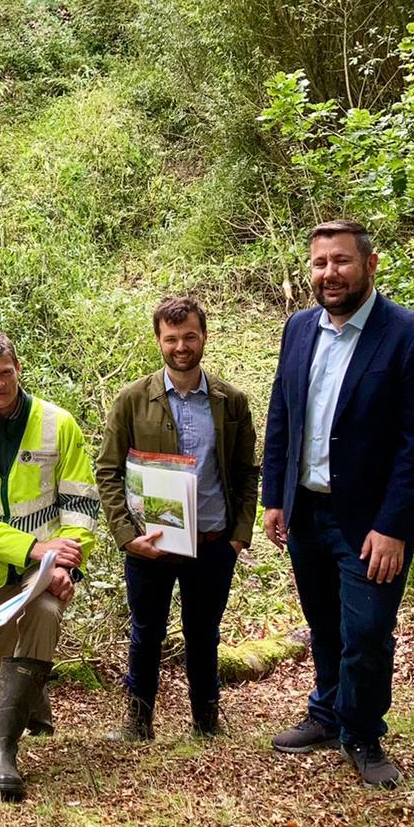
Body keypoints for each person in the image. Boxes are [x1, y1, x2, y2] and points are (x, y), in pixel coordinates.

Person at [262, 221, 414, 790]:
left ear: (370, 265)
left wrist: (392, 527)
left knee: (367, 630)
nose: (329, 274)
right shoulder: (299, 329)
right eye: (319, 263)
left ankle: (363, 733)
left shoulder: (411, 337)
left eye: (341, 261)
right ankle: (327, 712)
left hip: (371, 522)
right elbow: (282, 415)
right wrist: (275, 496)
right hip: (307, 511)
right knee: (324, 623)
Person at [0, 333, 98, 802]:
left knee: (45, 616)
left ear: (18, 367)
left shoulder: (57, 423)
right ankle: (35, 708)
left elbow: (80, 502)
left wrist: (66, 563)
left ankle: (2, 752)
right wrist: (32, 547)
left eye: (5, 371)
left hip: (47, 564)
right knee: (8, 648)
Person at [96, 295, 259, 741]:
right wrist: (127, 536)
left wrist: (238, 536)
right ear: (158, 341)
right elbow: (107, 471)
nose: (181, 346)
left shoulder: (231, 401)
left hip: (212, 542)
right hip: (151, 544)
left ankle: (207, 721)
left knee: (204, 633)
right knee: (145, 631)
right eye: (172, 339)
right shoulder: (132, 400)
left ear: (204, 337)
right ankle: (138, 721)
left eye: (190, 336)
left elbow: (247, 473)